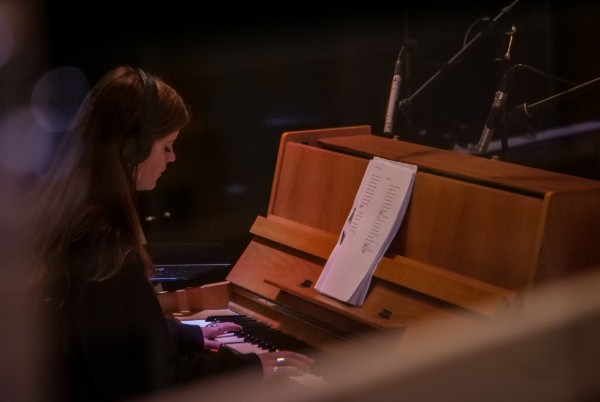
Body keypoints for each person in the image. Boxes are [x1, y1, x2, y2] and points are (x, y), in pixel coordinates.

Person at [27, 65, 313, 401]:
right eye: (166, 146)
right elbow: (153, 383)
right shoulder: (107, 250)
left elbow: (118, 337)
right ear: (133, 147)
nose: (172, 158)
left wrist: (187, 335)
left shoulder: (79, 215)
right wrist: (251, 369)